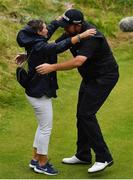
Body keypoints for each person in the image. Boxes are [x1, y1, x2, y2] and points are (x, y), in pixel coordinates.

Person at [36, 9, 119, 173]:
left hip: (104, 77)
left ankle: (104, 157)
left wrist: (52, 67)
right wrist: (29, 55)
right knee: (81, 115)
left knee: (86, 114)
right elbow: (55, 47)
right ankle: (83, 155)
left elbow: (78, 61)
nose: (64, 29)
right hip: (90, 78)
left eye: (67, 27)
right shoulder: (71, 32)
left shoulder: (93, 36)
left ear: (78, 25)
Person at [16, 18, 96, 175]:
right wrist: (80, 36)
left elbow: (50, 33)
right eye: (44, 29)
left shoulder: (33, 40)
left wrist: (58, 20)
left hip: (34, 91)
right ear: (38, 32)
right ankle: (42, 164)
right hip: (39, 93)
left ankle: (35, 159)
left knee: (42, 127)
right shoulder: (39, 45)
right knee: (46, 129)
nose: (47, 31)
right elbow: (59, 46)